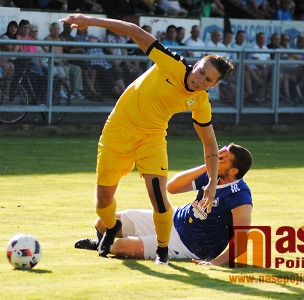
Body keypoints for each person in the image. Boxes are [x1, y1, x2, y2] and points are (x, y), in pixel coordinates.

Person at [60, 14, 234, 265]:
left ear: (214, 85)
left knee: (159, 198)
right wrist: (89, 20)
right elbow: (133, 30)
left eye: (208, 80)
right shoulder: (171, 63)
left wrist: (211, 184)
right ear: (196, 64)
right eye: (201, 72)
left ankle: (162, 252)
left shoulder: (200, 101)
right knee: (102, 203)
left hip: (151, 139)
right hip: (117, 132)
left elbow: (210, 145)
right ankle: (111, 227)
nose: (201, 79)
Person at [76, 143, 253, 266]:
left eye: (223, 159)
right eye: (219, 155)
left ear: (234, 170)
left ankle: (107, 247)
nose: (217, 159)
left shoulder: (240, 196)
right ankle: (100, 245)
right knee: (103, 223)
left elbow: (241, 242)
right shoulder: (212, 174)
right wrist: (208, 165)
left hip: (188, 244)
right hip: (174, 218)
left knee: (120, 247)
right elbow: (172, 187)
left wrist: (213, 263)